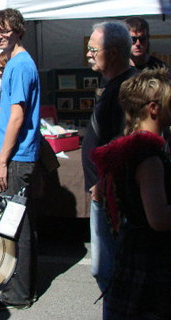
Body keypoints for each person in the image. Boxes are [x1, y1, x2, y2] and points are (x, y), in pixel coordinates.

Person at [92, 68, 171, 319]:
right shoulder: (148, 157)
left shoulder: (124, 147)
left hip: (131, 250)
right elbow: (158, 218)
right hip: (151, 259)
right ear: (154, 108)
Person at [0, 8, 41, 310]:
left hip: (16, 158)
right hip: (17, 156)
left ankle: (17, 293)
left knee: (13, 226)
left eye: (5, 30)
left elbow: (17, 116)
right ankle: (19, 289)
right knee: (19, 223)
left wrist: (1, 161)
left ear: (19, 30)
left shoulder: (20, 65)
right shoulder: (17, 63)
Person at [81, 22, 137, 294]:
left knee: (108, 272)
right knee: (104, 271)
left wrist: (102, 187)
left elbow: (122, 145)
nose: (88, 55)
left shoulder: (127, 89)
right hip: (103, 194)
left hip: (109, 196)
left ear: (112, 52)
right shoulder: (114, 85)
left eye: (93, 49)